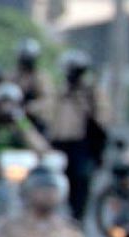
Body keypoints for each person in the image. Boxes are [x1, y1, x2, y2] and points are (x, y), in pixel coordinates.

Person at [45, 50, 108, 220]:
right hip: (59, 143)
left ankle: (77, 219)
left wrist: (81, 98)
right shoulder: (60, 91)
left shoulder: (91, 92)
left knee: (80, 183)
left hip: (81, 145)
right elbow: (50, 115)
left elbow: (102, 119)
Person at [13, 38, 50, 128]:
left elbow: (47, 100)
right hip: (14, 118)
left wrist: (30, 108)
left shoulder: (40, 77)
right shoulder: (14, 76)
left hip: (34, 121)